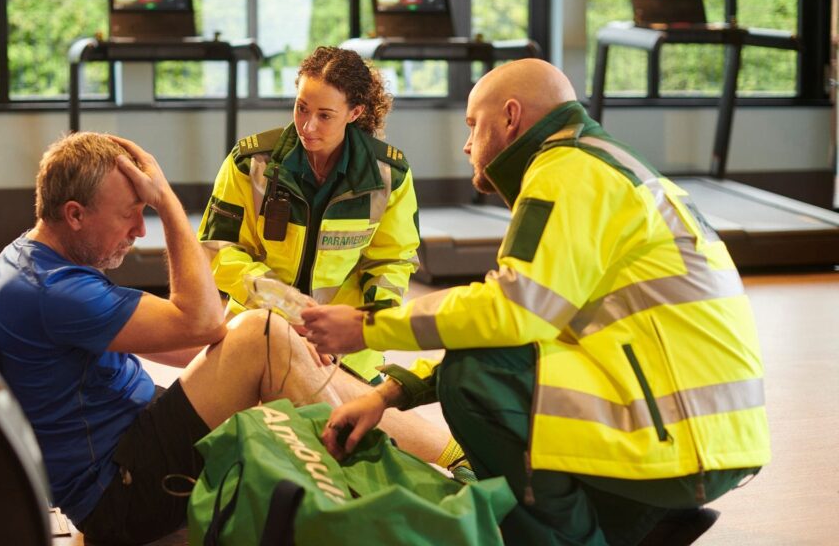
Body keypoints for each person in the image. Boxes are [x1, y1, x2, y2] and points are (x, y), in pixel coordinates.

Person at [303, 59, 770, 546]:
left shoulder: (567, 171)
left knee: (476, 382)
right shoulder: (598, 164)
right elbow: (518, 329)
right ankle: (637, 522)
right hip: (707, 434)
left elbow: (511, 313)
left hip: (681, 438)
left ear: (509, 117)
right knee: (490, 361)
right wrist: (386, 395)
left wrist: (366, 326)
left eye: (473, 125)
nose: (466, 145)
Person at [0, 131, 447, 545]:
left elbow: (184, 337)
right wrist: (167, 203)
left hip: (130, 454)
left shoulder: (30, 259)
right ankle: (426, 495)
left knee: (267, 337)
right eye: (130, 214)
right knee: (259, 332)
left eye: (146, 212)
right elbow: (202, 324)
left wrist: (279, 343)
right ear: (75, 214)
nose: (138, 229)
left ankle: (447, 458)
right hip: (120, 495)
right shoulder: (56, 293)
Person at [197, 46, 417, 386]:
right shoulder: (250, 162)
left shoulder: (389, 175)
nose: (307, 125)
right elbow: (216, 249)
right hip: (258, 329)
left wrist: (368, 326)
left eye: (325, 115)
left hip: (347, 347)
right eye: (301, 108)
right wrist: (287, 308)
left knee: (359, 434)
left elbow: (393, 260)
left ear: (355, 112)